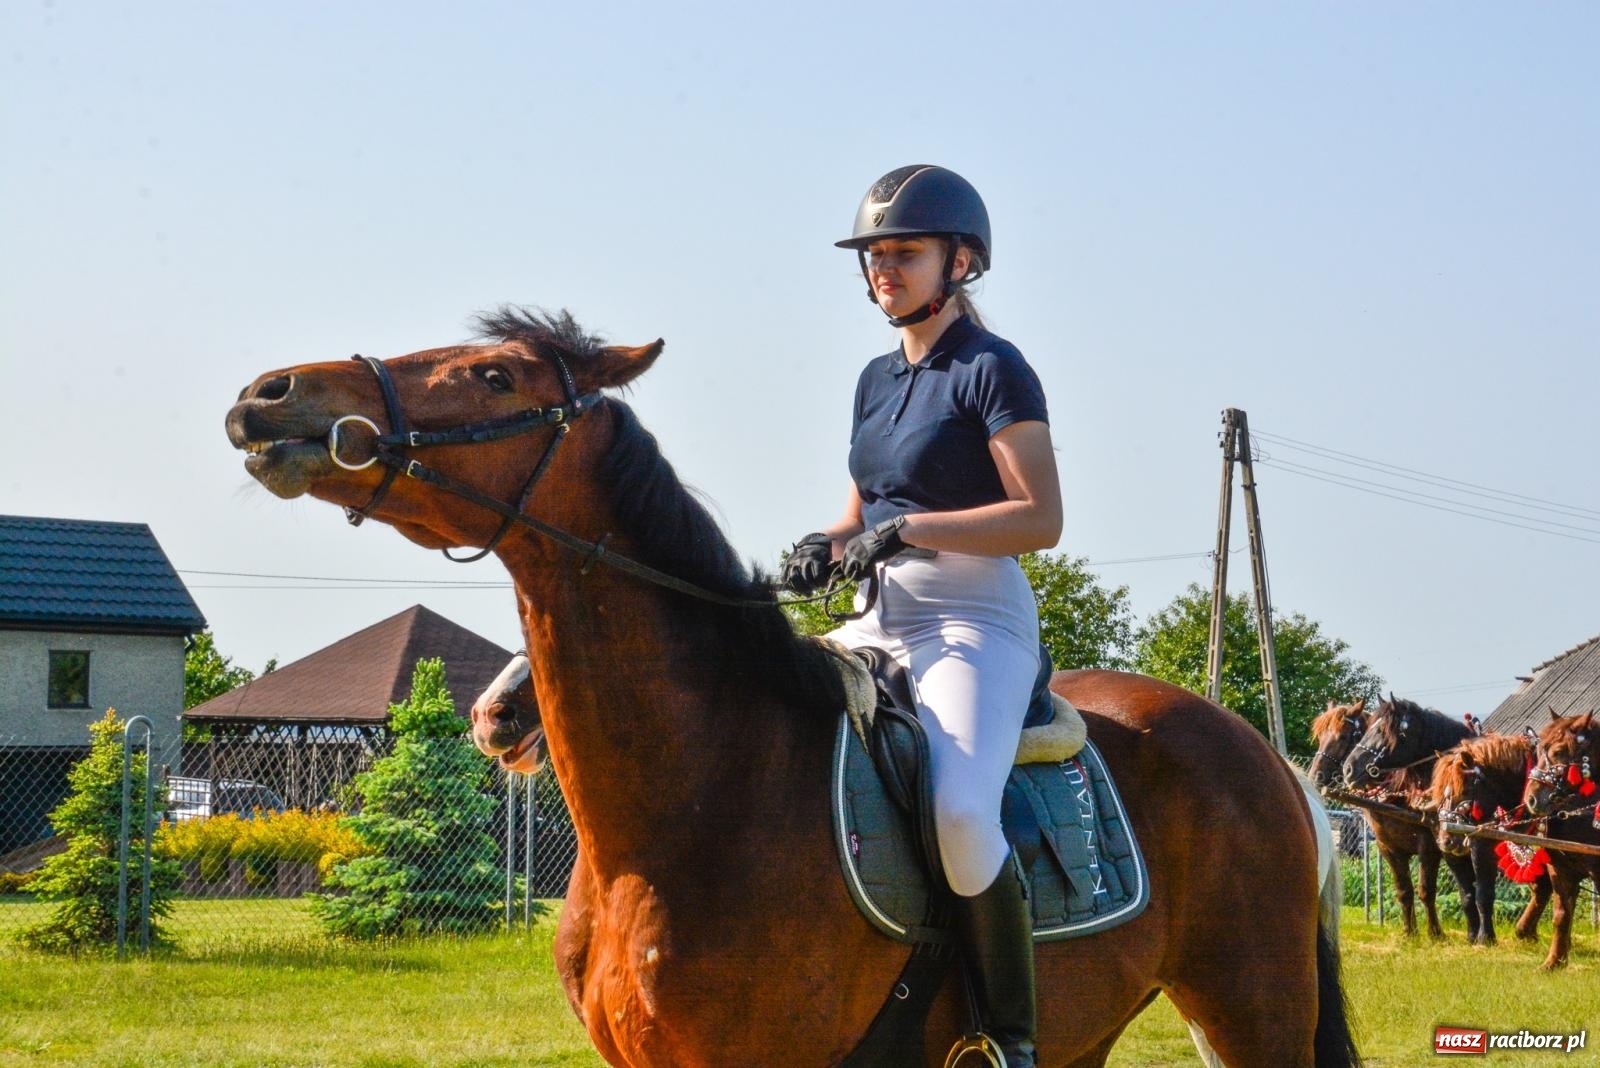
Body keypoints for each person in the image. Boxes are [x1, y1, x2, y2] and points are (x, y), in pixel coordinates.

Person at [783, 164, 1061, 1068]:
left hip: (973, 624)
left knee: (961, 813)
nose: (883, 270)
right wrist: (823, 544)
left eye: (903, 253)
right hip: (875, 619)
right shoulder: (873, 379)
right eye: (873, 255)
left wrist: (910, 530)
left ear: (962, 260)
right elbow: (859, 511)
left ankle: (1008, 1040)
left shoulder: (993, 368)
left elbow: (1041, 519)